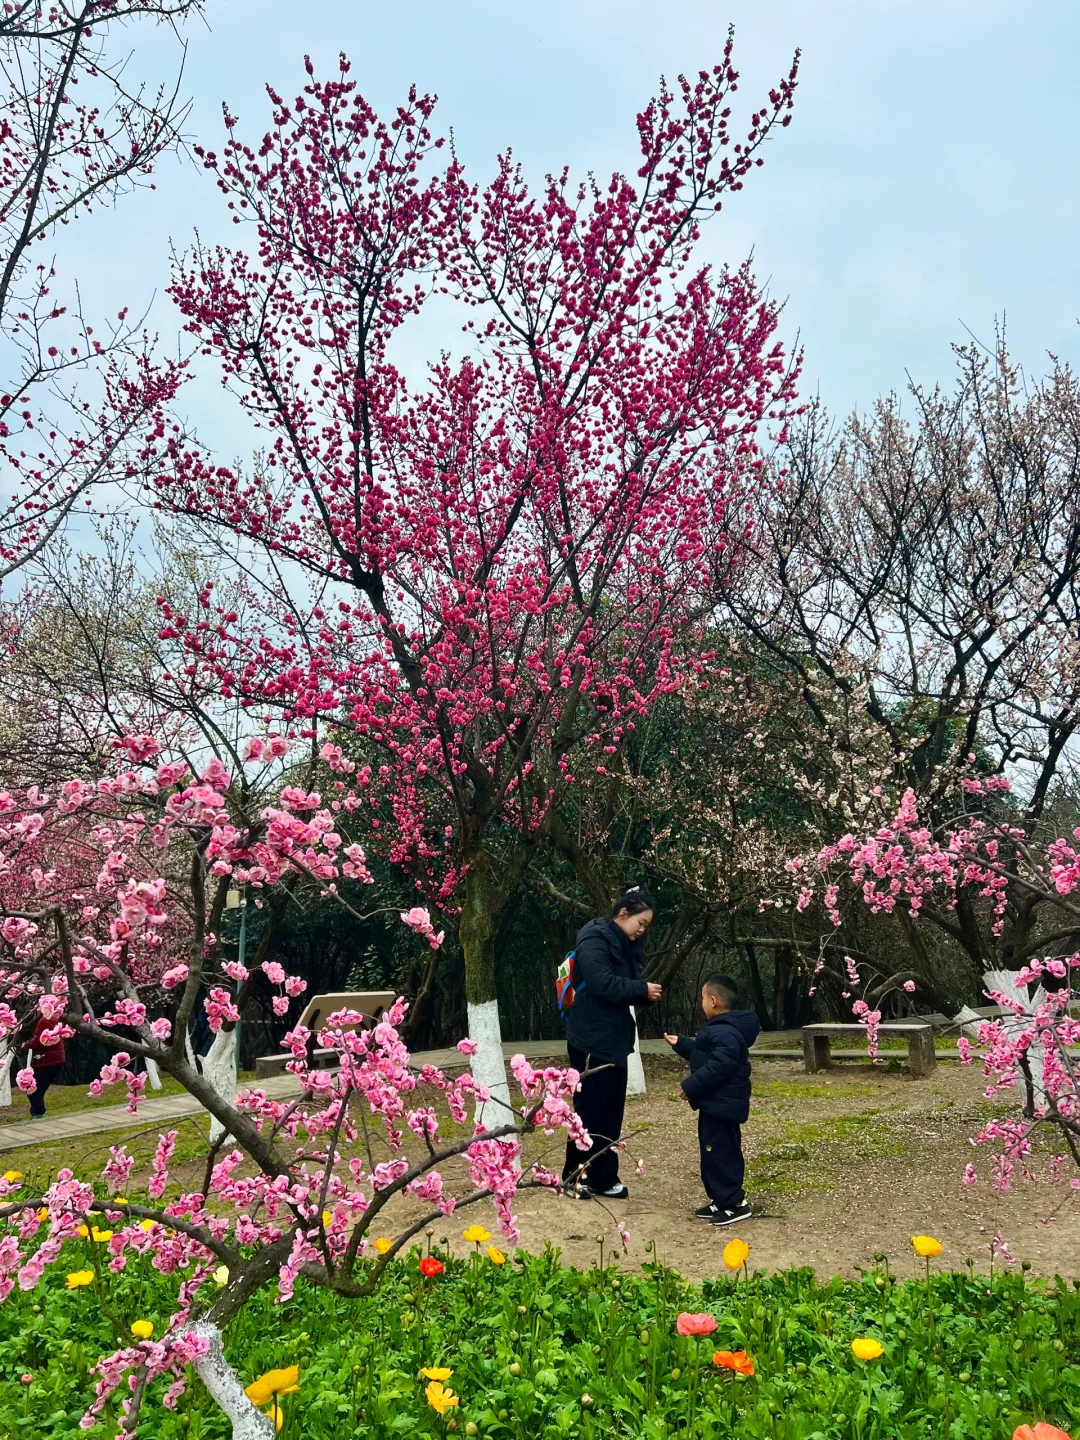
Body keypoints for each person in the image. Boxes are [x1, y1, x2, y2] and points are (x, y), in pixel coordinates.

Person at [562, 887, 661, 1200]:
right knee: (589, 1111)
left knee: (611, 1111)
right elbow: (602, 983)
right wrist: (640, 989)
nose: (642, 930)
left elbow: (622, 988)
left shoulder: (625, 943)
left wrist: (642, 992)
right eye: (640, 923)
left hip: (614, 1038)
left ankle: (604, 1177)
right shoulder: (594, 938)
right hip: (590, 1039)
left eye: (647, 925)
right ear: (623, 914)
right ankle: (574, 1177)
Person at [664, 975, 759, 1225]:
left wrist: (691, 1086)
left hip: (723, 1106)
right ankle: (720, 1198)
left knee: (723, 1154)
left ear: (714, 1001)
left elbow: (719, 1066)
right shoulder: (722, 1031)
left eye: (703, 999)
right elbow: (705, 1056)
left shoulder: (724, 1031)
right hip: (715, 1105)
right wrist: (682, 1044)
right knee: (712, 1153)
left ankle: (735, 1203)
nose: (701, 1003)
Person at [26, 1012, 66, 1118]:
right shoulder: (55, 1019)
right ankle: (38, 1112)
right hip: (57, 1060)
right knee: (39, 1089)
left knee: (32, 1088)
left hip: (46, 1061)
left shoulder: (44, 1021)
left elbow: (37, 1041)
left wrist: (24, 1045)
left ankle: (39, 1113)